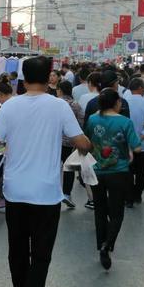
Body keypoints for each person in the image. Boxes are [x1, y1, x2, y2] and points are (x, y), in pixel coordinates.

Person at [0, 56, 91, 287]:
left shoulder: (11, 106)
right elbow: (80, 142)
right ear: (50, 78)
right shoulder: (59, 107)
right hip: (47, 193)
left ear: (23, 79)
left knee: (17, 249)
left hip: (15, 191)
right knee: (41, 254)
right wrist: (90, 144)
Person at [85, 89, 141, 270]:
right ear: (116, 103)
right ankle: (107, 245)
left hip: (97, 171)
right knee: (117, 212)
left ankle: (100, 242)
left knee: (100, 210)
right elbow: (137, 148)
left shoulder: (93, 119)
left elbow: (87, 140)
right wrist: (129, 152)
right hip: (119, 171)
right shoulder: (125, 122)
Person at [125, 78, 144, 206]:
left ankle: (129, 198)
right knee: (142, 173)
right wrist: (141, 137)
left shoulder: (123, 103)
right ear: (141, 88)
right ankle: (137, 195)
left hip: (127, 145)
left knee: (128, 171)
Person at [57, 80, 84, 209]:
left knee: (54, 167)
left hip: (55, 142)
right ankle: (67, 194)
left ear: (60, 90)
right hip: (71, 142)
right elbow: (81, 122)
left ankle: (53, 192)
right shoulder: (75, 105)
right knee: (69, 168)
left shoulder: (55, 104)